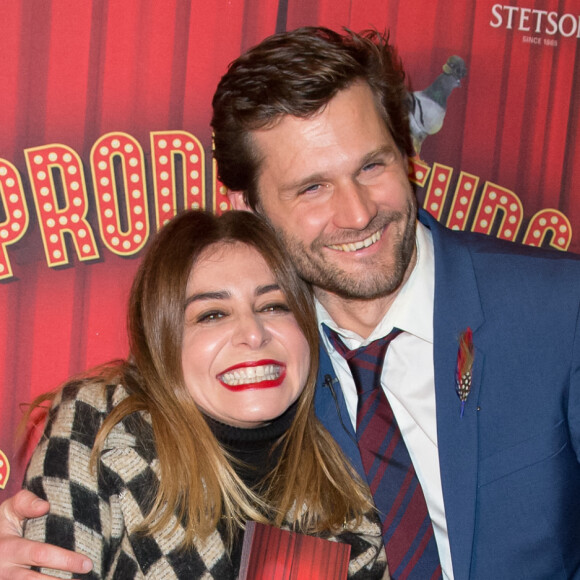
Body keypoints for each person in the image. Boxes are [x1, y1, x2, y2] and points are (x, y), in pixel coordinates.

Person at [2, 25, 580, 580]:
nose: (357, 214)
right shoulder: (253, 372)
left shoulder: (560, 311)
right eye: (313, 187)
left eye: (372, 166)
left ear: (406, 154)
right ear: (251, 206)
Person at [14, 209, 388, 579]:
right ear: (163, 339)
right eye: (213, 314)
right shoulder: (99, 425)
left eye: (274, 306)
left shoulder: (354, 484)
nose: (254, 333)